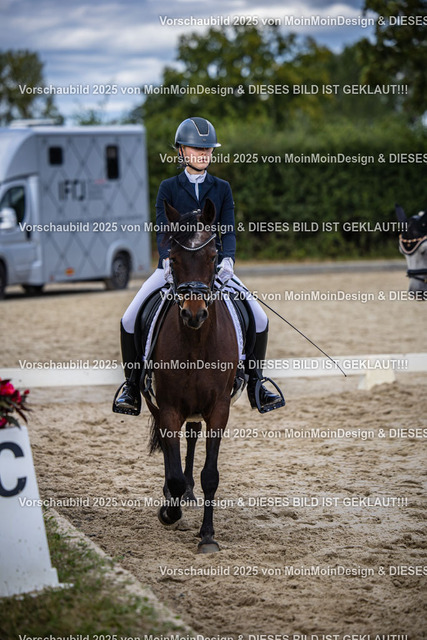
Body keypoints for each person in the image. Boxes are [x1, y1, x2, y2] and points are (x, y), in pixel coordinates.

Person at [113, 116, 284, 415]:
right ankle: (132, 385)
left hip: (211, 270)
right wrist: (166, 260)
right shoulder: (168, 187)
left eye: (207, 150)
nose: (204, 154)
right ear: (181, 151)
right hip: (173, 269)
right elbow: (162, 230)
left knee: (260, 318)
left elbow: (228, 230)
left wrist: (228, 261)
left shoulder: (222, 188)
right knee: (129, 319)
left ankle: (257, 383)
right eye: (197, 149)